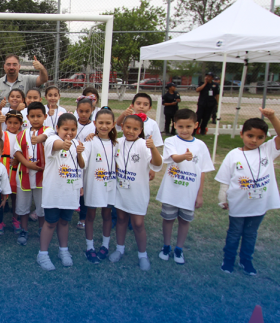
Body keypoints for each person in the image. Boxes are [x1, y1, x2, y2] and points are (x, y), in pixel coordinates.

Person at [216, 109, 280, 275]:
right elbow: (225, 179)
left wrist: (272, 117)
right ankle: (228, 261)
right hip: (239, 203)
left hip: (259, 204)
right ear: (242, 134)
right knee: (234, 233)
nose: (254, 140)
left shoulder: (267, 150)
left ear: (265, 138)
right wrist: (223, 197)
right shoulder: (233, 155)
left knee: (251, 234)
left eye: (260, 137)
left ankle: (246, 261)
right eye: (250, 136)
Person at [156, 109, 214, 265]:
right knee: (168, 219)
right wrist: (185, 157)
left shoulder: (201, 146)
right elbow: (173, 157)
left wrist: (199, 194)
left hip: (189, 193)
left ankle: (179, 248)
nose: (184, 130)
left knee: (184, 221)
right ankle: (166, 246)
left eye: (188, 126)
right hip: (171, 191)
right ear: (174, 125)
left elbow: (202, 171)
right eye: (180, 126)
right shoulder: (171, 141)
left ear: (195, 125)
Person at [109, 113, 162, 271]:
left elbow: (157, 164)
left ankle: (142, 254)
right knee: (121, 219)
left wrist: (153, 148)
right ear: (122, 127)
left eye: (135, 129)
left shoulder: (144, 145)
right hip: (121, 190)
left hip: (138, 191)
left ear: (141, 130)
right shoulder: (117, 142)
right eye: (128, 127)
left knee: (138, 223)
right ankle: (119, 248)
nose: (130, 131)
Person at [37, 113, 84, 270]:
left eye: (73, 129)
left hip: (70, 192)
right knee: (50, 223)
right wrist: (63, 144)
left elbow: (79, 167)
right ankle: (42, 254)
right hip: (54, 192)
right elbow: (56, 144)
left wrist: (81, 185)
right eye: (65, 129)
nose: (69, 132)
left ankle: (63, 250)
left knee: (64, 222)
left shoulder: (78, 143)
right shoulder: (51, 140)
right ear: (57, 128)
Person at [82, 108, 117, 263]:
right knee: (90, 215)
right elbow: (82, 162)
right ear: (95, 123)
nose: (104, 126)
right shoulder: (90, 142)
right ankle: (90, 247)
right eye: (100, 123)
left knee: (107, 215)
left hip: (110, 186)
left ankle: (105, 245)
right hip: (94, 186)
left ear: (114, 124)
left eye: (108, 123)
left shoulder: (117, 143)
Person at [13, 102, 49, 246]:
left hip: (43, 177)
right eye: (32, 116)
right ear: (27, 117)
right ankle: (24, 230)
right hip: (24, 176)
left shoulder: (49, 131)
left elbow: (47, 137)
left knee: (41, 206)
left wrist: (39, 138)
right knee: (23, 207)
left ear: (45, 116)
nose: (35, 119)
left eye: (39, 116)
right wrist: (27, 164)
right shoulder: (21, 134)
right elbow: (17, 152)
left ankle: (42, 229)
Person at [0, 110, 22, 235]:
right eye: (9, 122)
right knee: (2, 196)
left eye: (16, 123)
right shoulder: (4, 133)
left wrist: (18, 160)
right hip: (4, 167)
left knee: (15, 196)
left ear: (21, 124)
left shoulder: (22, 135)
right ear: (6, 123)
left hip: (16, 168)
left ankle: (15, 219)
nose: (12, 125)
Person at [73, 96, 96, 230]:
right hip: (71, 161)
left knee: (84, 192)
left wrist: (96, 135)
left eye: (87, 111)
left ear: (92, 111)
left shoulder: (94, 127)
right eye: (81, 111)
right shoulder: (72, 123)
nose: (83, 114)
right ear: (77, 110)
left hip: (85, 164)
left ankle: (83, 218)